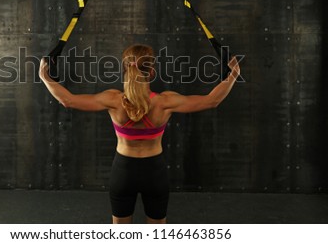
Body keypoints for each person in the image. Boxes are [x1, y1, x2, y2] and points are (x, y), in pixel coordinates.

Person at [39, 44, 240, 224]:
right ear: (151, 72)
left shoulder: (113, 100)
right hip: (155, 173)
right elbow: (211, 101)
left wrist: (44, 77)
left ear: (125, 69)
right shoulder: (164, 102)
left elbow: (68, 100)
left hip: (123, 173)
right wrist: (234, 73)